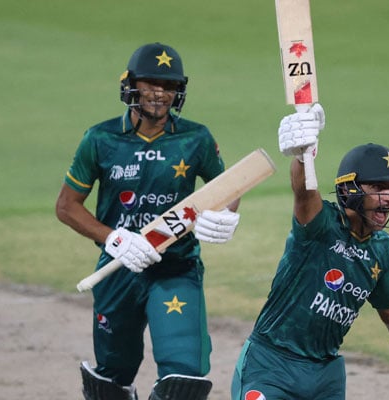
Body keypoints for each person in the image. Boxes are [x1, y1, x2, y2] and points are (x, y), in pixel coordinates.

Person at [230, 105, 389, 399]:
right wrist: (303, 153)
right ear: (349, 190)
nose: (388, 199)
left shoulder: (382, 249)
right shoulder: (320, 225)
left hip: (325, 375)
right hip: (271, 364)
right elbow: (304, 191)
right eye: (378, 188)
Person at [55, 42, 241, 400]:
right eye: (151, 84)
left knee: (184, 381)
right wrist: (115, 240)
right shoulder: (100, 139)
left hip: (176, 267)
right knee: (109, 383)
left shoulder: (196, 138)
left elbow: (229, 188)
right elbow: (66, 206)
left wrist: (224, 216)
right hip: (118, 267)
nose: (160, 94)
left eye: (169, 86)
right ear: (131, 86)